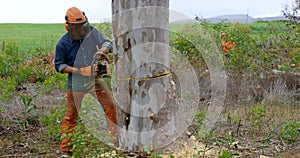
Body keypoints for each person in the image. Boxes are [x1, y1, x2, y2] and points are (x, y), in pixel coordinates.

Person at [54, 7, 117, 157]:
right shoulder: (62, 44)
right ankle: (66, 149)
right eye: (76, 27)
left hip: (94, 80)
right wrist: (80, 71)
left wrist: (103, 51)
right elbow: (59, 66)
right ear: (68, 26)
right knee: (71, 116)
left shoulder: (91, 31)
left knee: (111, 106)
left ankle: (116, 142)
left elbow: (108, 43)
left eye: (82, 25)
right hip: (75, 83)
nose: (80, 29)